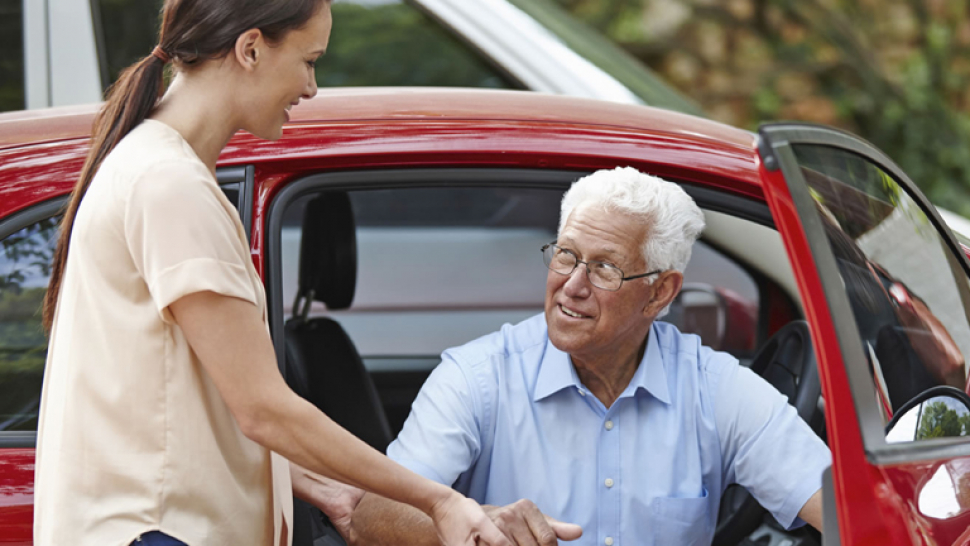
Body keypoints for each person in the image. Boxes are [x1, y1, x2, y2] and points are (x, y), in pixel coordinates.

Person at [32, 2, 511, 546]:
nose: (311, 88)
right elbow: (262, 410)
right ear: (251, 48)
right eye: (309, 61)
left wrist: (328, 490)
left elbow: (209, 409)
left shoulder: (150, 165)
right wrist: (438, 499)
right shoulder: (170, 185)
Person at [331, 167, 831, 546]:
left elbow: (847, 509)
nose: (571, 286)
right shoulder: (478, 376)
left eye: (604, 268)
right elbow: (371, 515)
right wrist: (475, 523)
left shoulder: (715, 387)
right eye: (566, 254)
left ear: (660, 294)